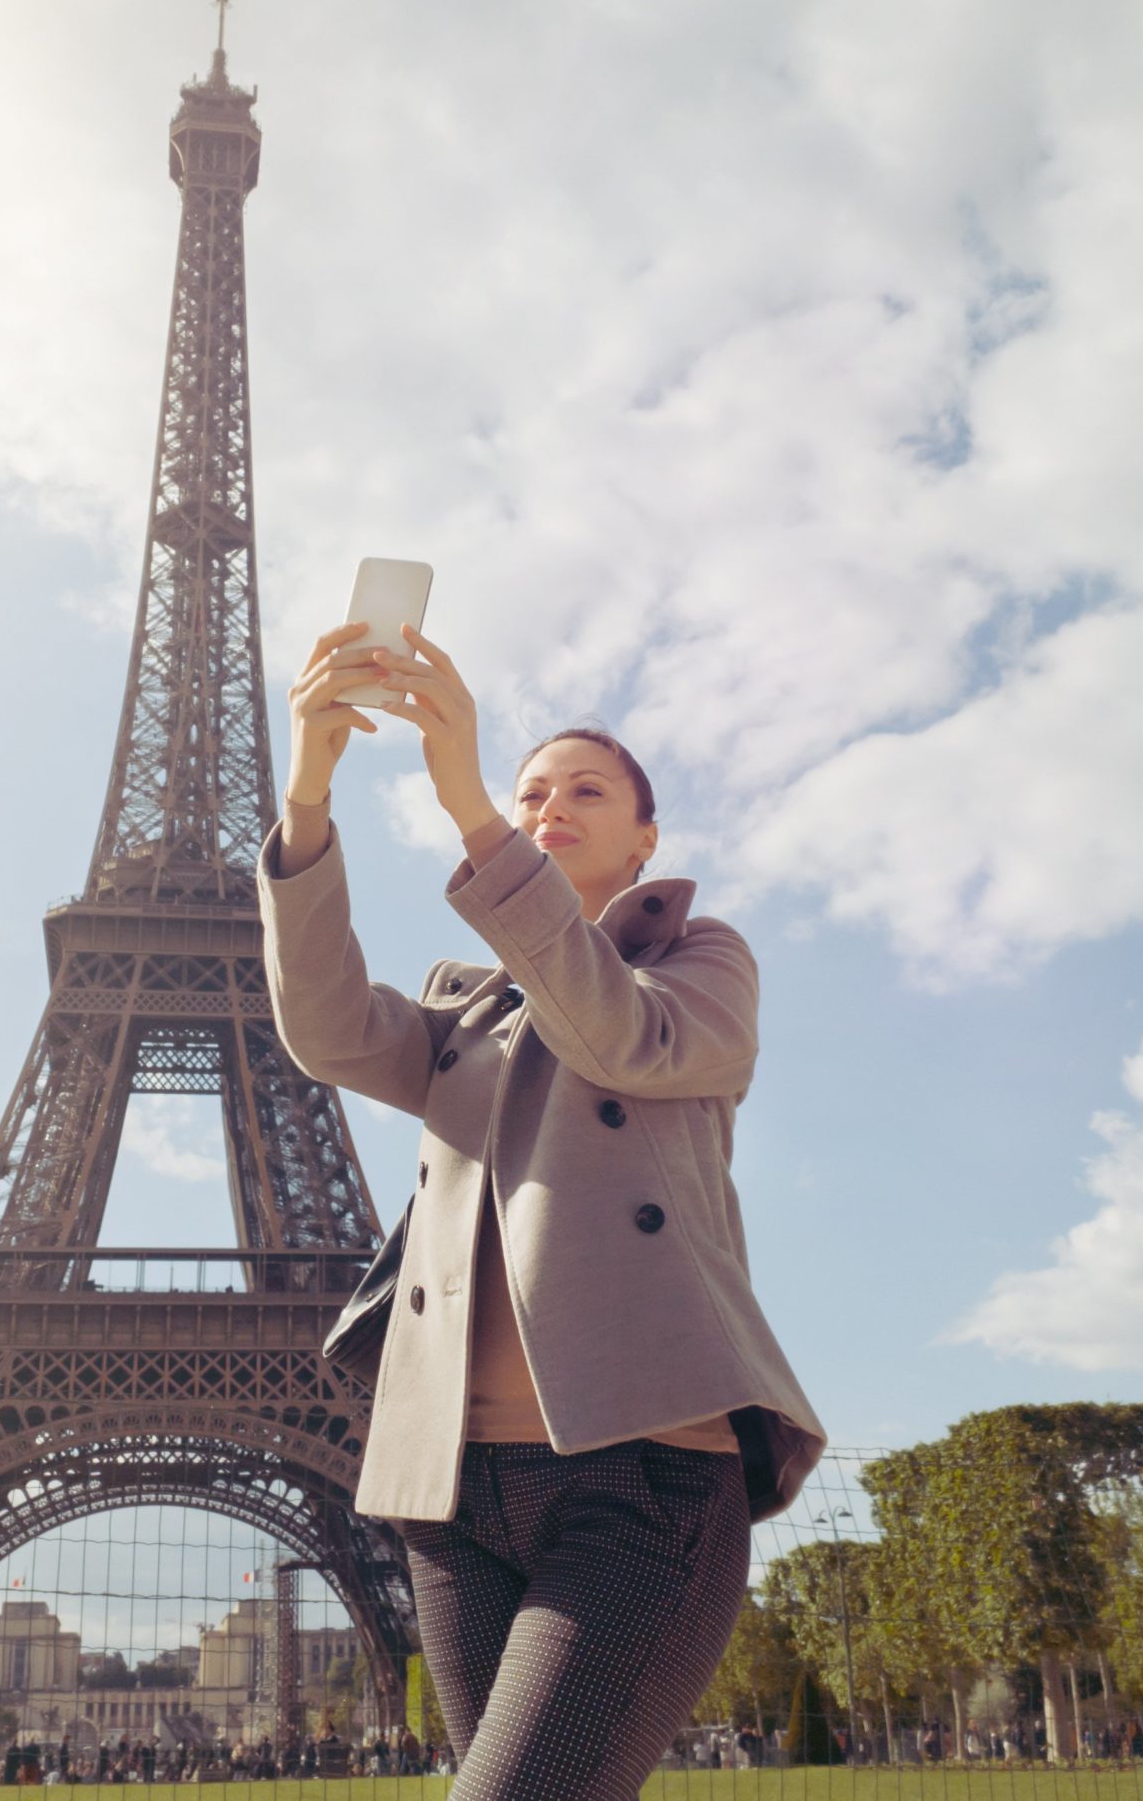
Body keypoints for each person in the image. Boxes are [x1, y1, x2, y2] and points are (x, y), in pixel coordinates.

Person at [259, 622, 829, 1800]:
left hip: (641, 1468)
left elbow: (612, 1030)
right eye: (531, 791)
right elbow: (321, 1029)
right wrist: (309, 797)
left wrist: (469, 804)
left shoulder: (701, 966)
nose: (550, 803)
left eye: (585, 788)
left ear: (645, 836)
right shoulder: (462, 1015)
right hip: (453, 1493)